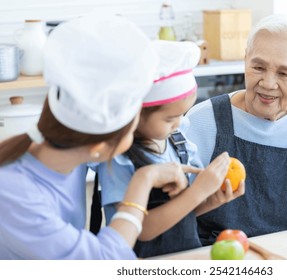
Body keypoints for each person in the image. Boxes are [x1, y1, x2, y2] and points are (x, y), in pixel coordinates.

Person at [0, 14, 201, 260]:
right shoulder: (15, 194)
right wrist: (143, 179)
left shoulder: (64, 158)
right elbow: (104, 260)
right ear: (99, 147)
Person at [185, 14, 287, 245]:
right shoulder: (202, 120)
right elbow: (172, 216)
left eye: (284, 73)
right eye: (258, 67)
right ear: (245, 61)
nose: (268, 83)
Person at [96, 40, 245, 258]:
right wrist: (197, 192)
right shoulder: (118, 159)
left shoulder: (179, 144)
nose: (178, 124)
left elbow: (183, 212)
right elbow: (140, 230)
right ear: (135, 114)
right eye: (170, 118)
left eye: (182, 115)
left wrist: (211, 200)